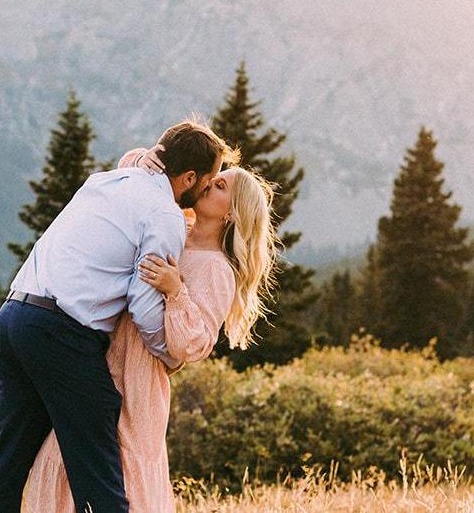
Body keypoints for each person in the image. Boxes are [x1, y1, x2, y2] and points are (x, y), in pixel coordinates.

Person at [0, 119, 233, 513]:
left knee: (6, 464)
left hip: (13, 316)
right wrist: (166, 353)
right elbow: (143, 301)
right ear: (189, 178)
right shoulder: (164, 214)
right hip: (60, 332)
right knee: (100, 472)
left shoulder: (107, 181)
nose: (207, 188)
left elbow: (139, 165)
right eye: (208, 180)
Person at [22, 150, 280, 513]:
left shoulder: (217, 269)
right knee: (67, 453)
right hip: (98, 354)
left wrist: (176, 291)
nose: (208, 184)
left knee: (120, 472)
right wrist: (158, 155)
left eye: (220, 186)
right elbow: (133, 167)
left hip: (139, 380)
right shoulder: (174, 225)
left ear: (232, 213)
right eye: (212, 178)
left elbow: (194, 344)